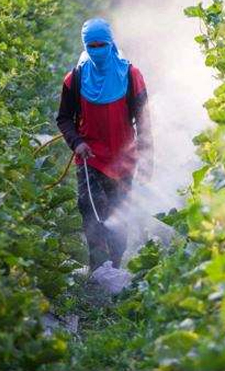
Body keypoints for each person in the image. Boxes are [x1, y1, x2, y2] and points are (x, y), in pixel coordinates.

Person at [56, 17, 153, 271]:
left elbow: (143, 122)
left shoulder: (131, 75)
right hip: (89, 158)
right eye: (92, 46)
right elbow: (64, 118)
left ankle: (116, 266)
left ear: (111, 43)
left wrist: (146, 158)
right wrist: (76, 142)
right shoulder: (74, 79)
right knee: (90, 209)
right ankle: (97, 267)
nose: (97, 50)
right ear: (85, 46)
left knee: (117, 215)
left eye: (102, 44)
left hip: (123, 160)